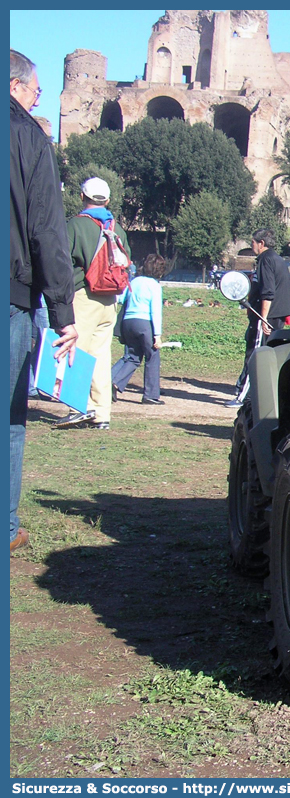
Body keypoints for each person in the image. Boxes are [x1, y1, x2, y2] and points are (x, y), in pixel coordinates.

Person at [10, 48, 79, 552]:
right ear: (16, 87)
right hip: (10, 296)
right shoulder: (28, 138)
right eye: (35, 90)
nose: (40, 98)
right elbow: (45, 232)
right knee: (10, 419)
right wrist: (62, 312)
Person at [53, 176, 130, 431]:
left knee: (77, 350)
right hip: (110, 299)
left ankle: (79, 407)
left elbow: (61, 261)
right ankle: (102, 413)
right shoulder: (116, 228)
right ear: (107, 200)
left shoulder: (75, 224)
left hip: (83, 295)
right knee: (100, 355)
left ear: (82, 197)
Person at [227, 229, 290, 408]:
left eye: (253, 243)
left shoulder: (265, 260)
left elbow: (268, 292)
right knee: (269, 354)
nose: (252, 246)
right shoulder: (277, 259)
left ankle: (243, 397)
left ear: (261, 243)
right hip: (277, 315)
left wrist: (263, 317)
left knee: (255, 354)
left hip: (267, 316)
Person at [111, 254, 167, 405]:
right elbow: (155, 311)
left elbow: (121, 299)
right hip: (144, 322)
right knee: (152, 356)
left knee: (132, 356)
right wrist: (157, 335)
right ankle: (151, 395)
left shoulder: (134, 282)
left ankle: (110, 382)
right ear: (159, 271)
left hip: (128, 322)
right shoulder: (154, 286)